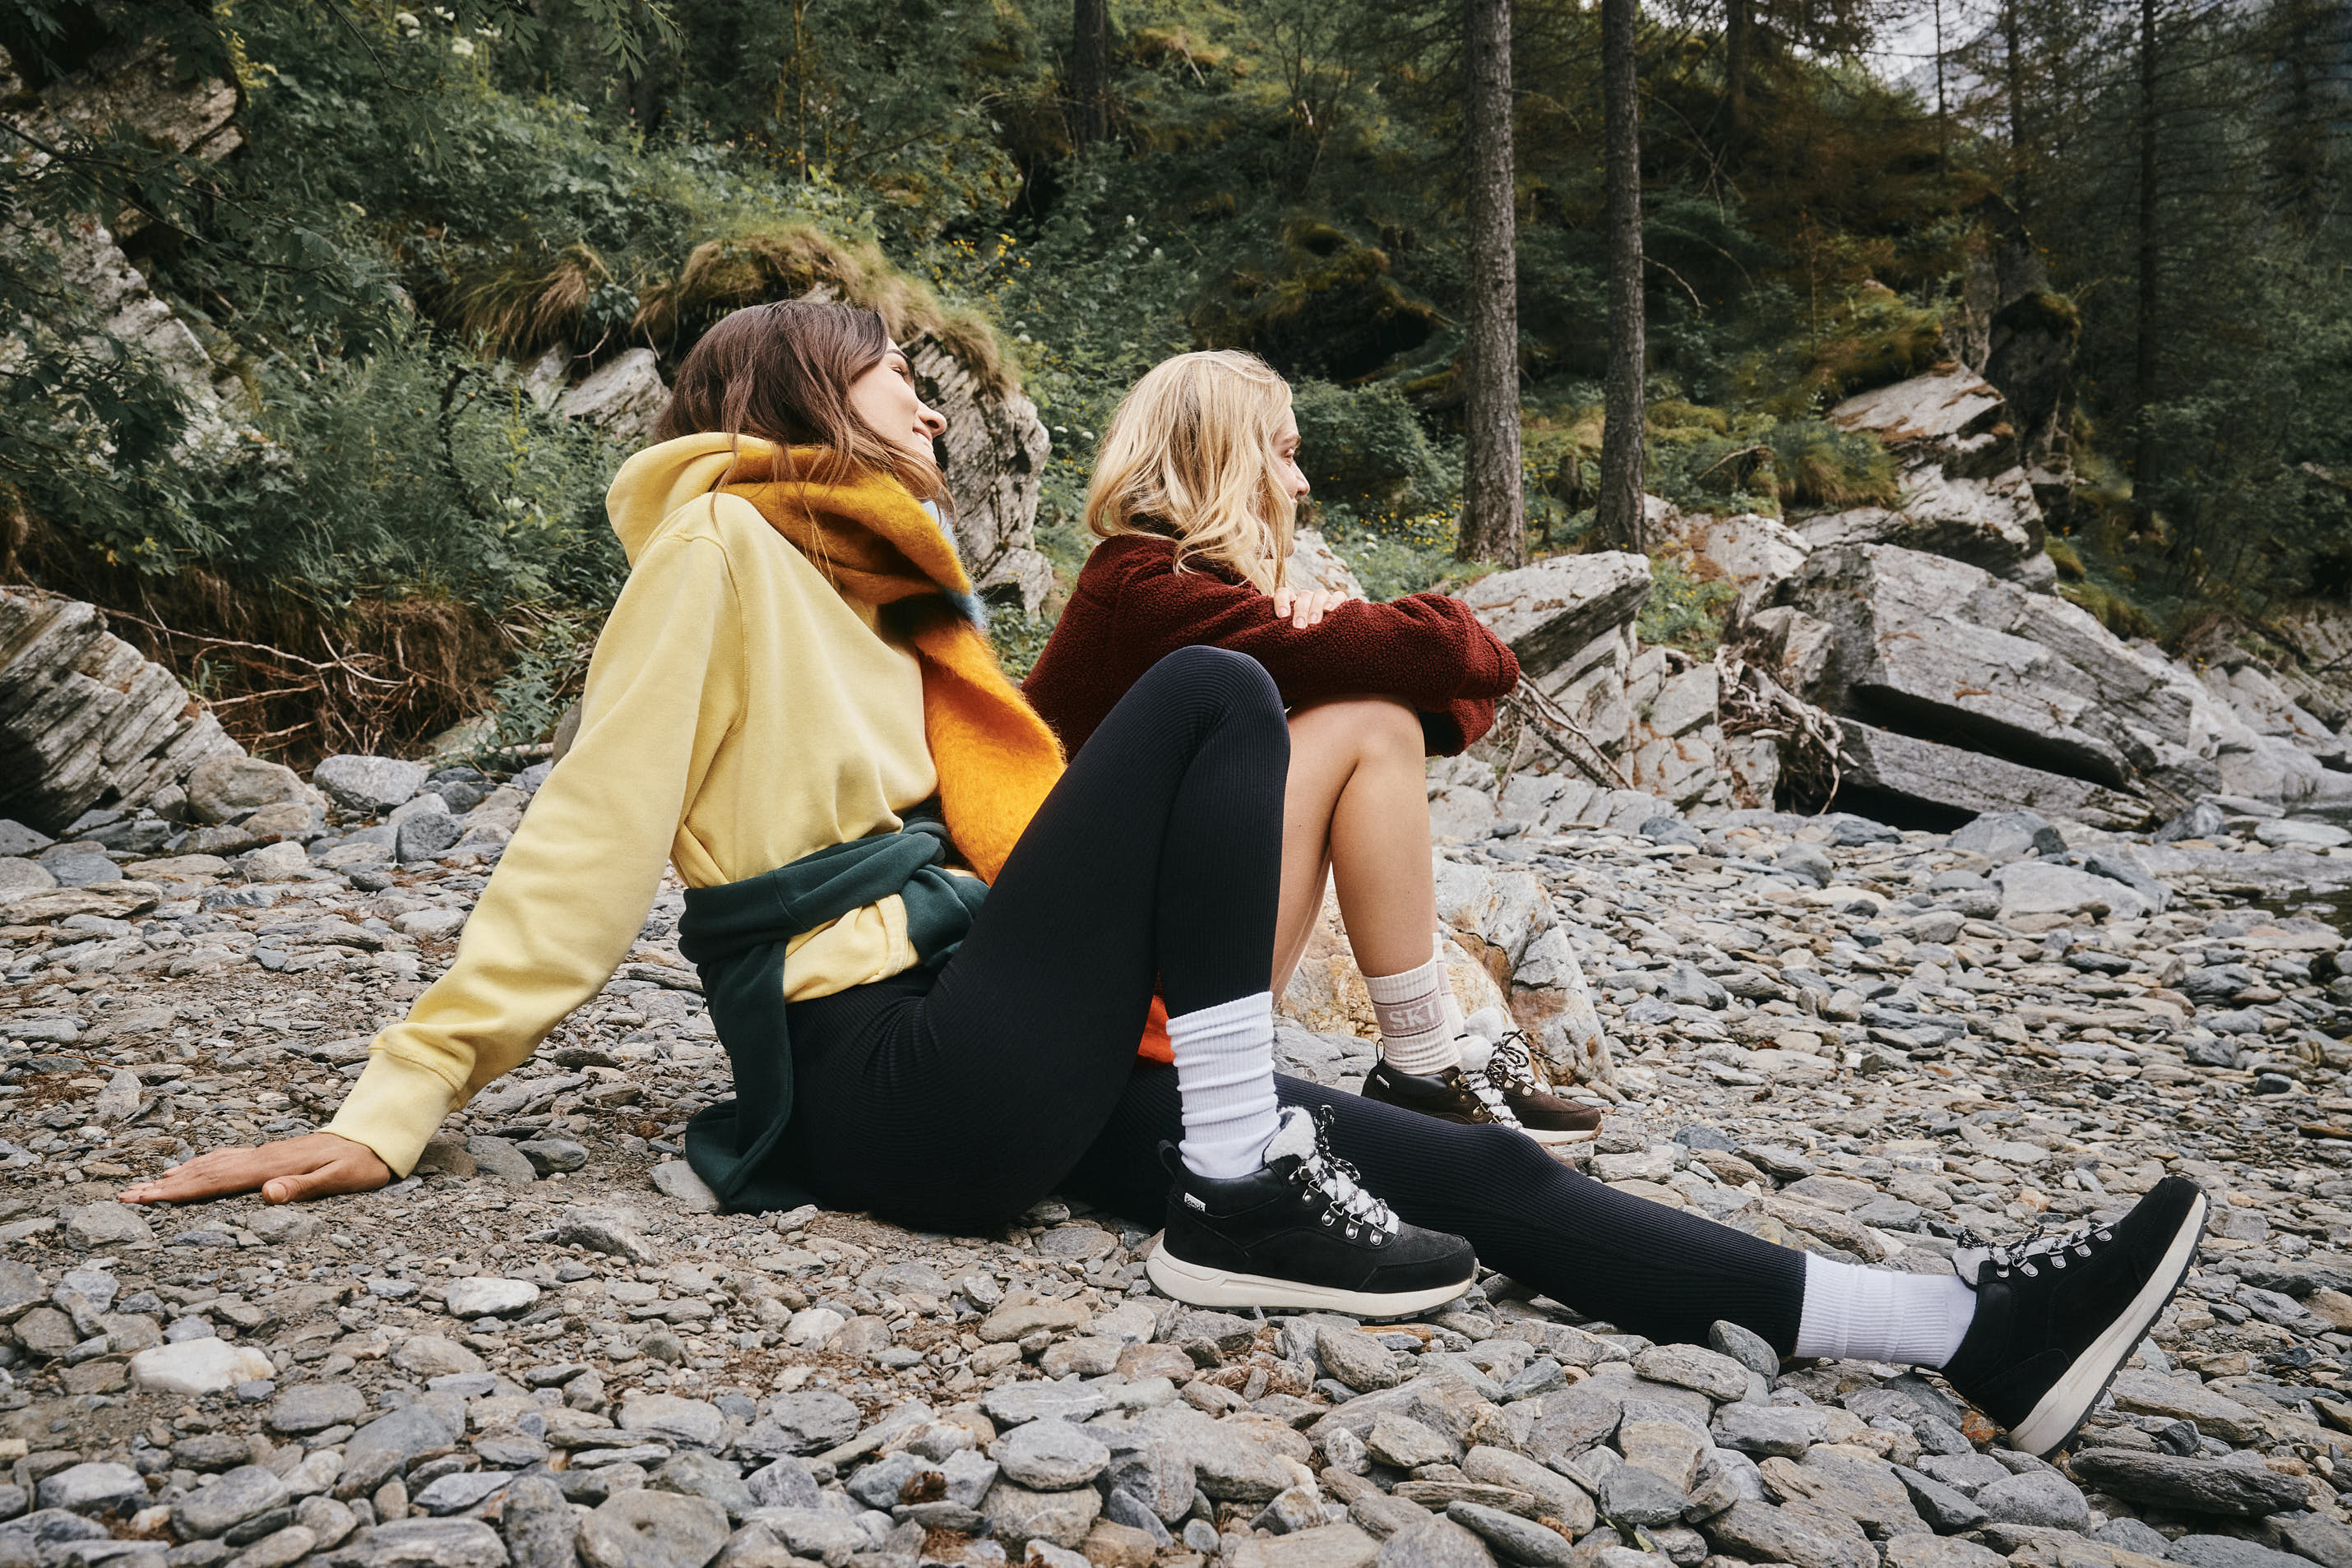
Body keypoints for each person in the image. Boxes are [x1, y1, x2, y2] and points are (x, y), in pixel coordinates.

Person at [122, 300, 2209, 1459]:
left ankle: (1951, 1326)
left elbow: (1001, 829)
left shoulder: (882, 580)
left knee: (1463, 1167)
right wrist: (399, 1099)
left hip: (978, 1044)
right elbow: (585, 834)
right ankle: (1232, 1175)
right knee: (1215, 695)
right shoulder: (721, 547)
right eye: (890, 367)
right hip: (881, 1073)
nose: (924, 391)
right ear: (799, 394)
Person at [1025, 349, 1594, 1143]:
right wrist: (1352, 634)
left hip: (1132, 959)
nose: (1300, 484)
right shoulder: (1145, 593)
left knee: (1372, 714)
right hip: (1104, 994)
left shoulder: (1184, 591)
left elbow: (1462, 698)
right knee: (1371, 721)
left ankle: (1426, 1062)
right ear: (1225, 460)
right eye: (1286, 454)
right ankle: (1421, 1064)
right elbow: (1458, 656)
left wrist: (1341, 641)